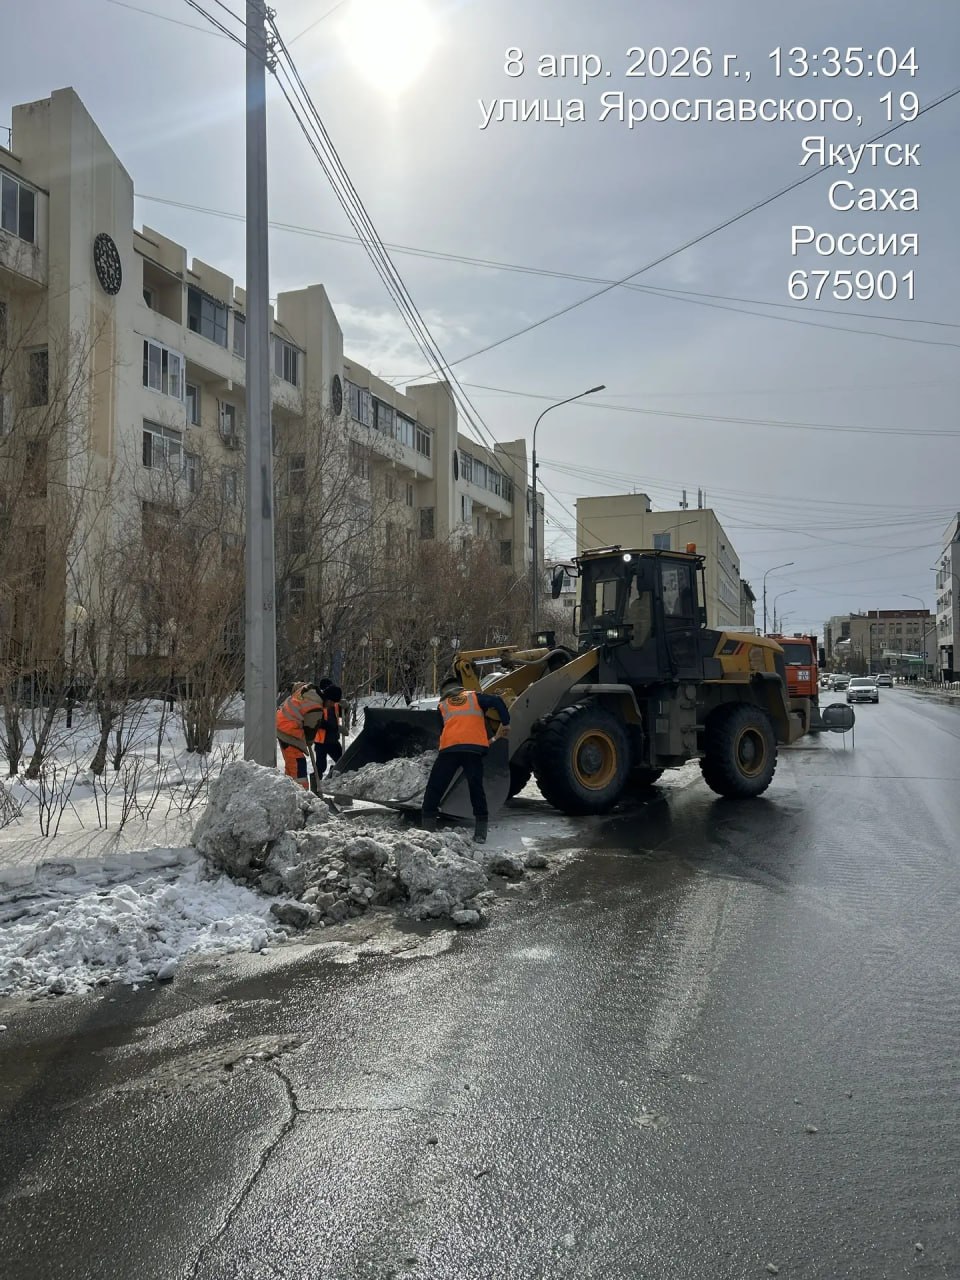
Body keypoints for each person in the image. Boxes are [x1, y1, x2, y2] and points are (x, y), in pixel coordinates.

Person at [420, 677, 511, 843]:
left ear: (444, 692)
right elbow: (497, 701)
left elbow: (443, 730)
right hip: (473, 751)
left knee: (435, 786)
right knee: (476, 788)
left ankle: (427, 828)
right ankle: (481, 833)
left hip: (450, 750)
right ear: (460, 688)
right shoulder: (475, 697)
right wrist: (505, 724)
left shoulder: (442, 705)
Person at [276, 680, 327, 789]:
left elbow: (296, 686)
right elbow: (311, 729)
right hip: (289, 731)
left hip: (281, 724)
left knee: (291, 764)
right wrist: (309, 740)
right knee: (298, 764)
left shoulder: (307, 690)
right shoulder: (316, 708)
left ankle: (288, 791)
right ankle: (301, 793)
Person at [312, 682, 343, 785]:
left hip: (333, 739)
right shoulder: (318, 704)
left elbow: (341, 713)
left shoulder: (335, 703)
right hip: (321, 741)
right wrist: (334, 727)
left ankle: (331, 778)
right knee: (320, 766)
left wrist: (346, 708)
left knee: (342, 761)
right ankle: (316, 787)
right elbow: (317, 721)